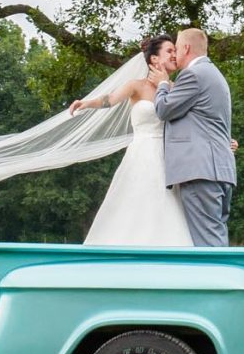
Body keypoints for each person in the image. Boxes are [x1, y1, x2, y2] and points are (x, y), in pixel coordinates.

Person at [71, 35, 193, 246]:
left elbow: (192, 121)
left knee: (168, 206)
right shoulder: (136, 86)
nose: (175, 55)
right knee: (135, 201)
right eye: (170, 51)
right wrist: (87, 103)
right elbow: (109, 100)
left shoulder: (175, 88)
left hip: (169, 157)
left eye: (175, 51)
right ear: (154, 59)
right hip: (141, 154)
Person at [154, 27, 235, 247]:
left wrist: (162, 84)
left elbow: (164, 110)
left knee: (207, 244)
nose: (175, 54)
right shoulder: (215, 75)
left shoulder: (193, 75)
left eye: (177, 48)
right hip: (220, 170)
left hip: (200, 171)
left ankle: (217, 281)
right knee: (216, 236)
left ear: (186, 48)